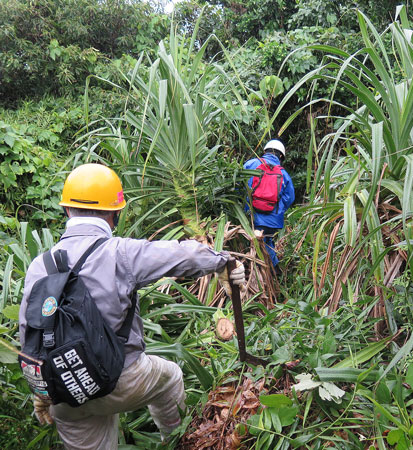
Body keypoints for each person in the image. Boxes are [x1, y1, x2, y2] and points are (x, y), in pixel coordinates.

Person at [18, 163, 245, 449]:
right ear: (115, 214)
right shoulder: (120, 252)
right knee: (170, 378)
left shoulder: (39, 265)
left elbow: (29, 334)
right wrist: (222, 262)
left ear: (66, 211)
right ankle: (176, 442)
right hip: (121, 382)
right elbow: (180, 254)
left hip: (64, 390)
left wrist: (43, 392)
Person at [244, 138, 295, 269]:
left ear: (265, 151)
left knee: (246, 244)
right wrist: (277, 209)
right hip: (271, 221)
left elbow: (238, 186)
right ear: (281, 156)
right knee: (267, 242)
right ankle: (273, 272)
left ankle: (250, 272)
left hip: (249, 217)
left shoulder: (251, 164)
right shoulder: (283, 174)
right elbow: (290, 197)